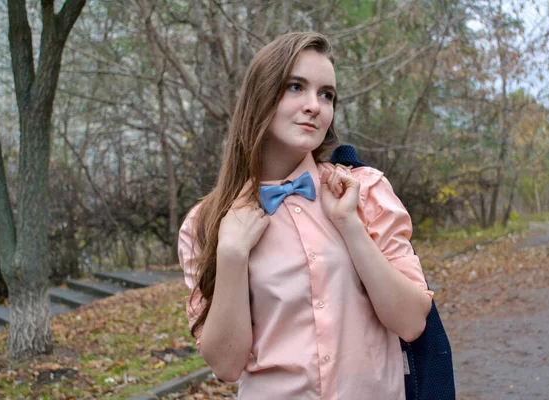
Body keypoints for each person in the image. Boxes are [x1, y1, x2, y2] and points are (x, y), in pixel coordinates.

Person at [178, 32, 433, 400]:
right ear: (259, 97)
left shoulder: (364, 192)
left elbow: (411, 323)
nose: (315, 105)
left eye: (326, 94)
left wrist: (350, 226)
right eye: (295, 87)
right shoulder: (204, 223)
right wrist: (232, 254)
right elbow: (226, 366)